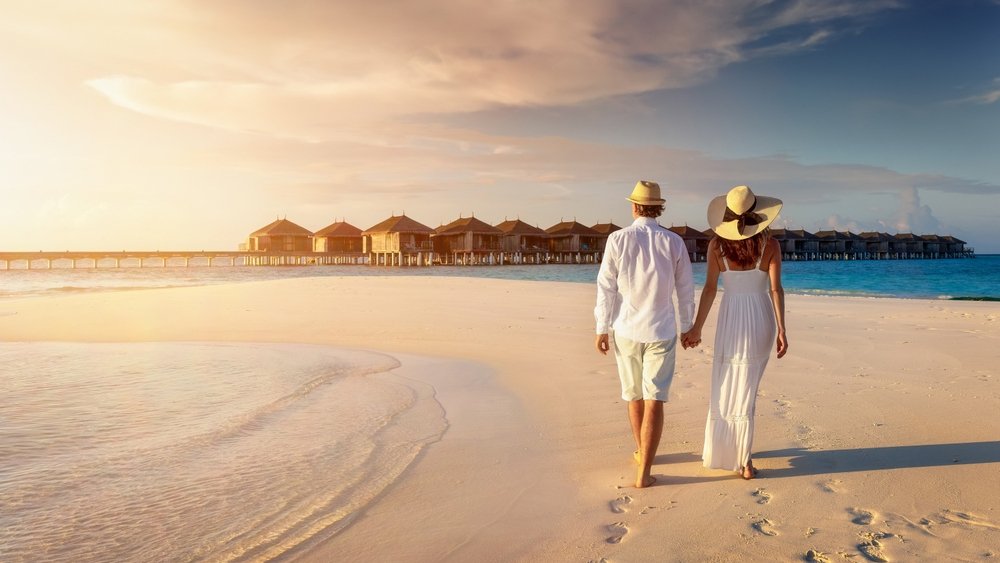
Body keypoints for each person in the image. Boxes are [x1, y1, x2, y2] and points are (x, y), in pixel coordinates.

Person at [682, 185, 788, 480]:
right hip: (760, 318)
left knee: (728, 382)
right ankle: (745, 460)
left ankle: (735, 453)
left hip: (731, 319)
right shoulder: (771, 246)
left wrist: (696, 328)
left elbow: (710, 289)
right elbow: (775, 290)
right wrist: (782, 329)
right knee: (748, 388)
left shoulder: (716, 246)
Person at [595, 180, 696, 488]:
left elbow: (606, 287)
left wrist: (601, 327)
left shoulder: (617, 239)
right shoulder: (674, 241)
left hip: (625, 328)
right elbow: (685, 289)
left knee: (634, 396)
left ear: (635, 206)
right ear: (658, 208)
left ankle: (641, 452)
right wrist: (687, 326)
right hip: (662, 329)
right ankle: (644, 472)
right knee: (655, 399)